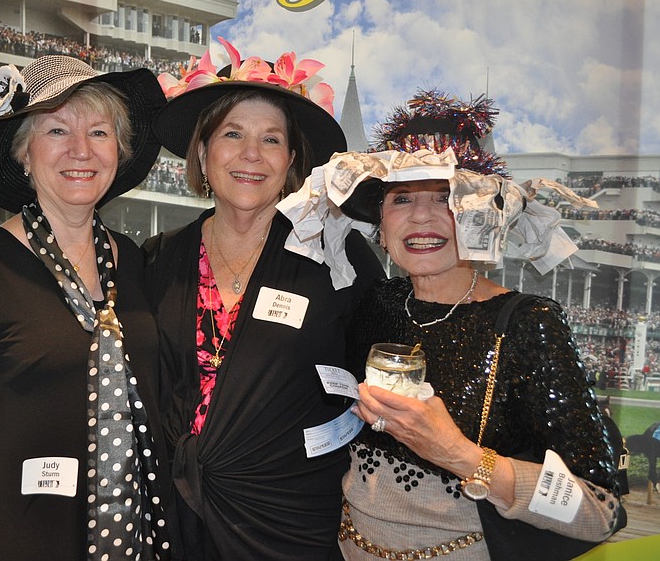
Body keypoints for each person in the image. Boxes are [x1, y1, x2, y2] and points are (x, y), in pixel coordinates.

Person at [291, 89, 625, 560]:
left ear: (486, 217)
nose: (423, 216)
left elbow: (599, 510)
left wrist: (457, 453)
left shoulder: (530, 324)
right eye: (402, 197)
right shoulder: (377, 304)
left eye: (448, 198)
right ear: (380, 225)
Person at [0, 55, 170, 560]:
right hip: (27, 531)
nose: (82, 150)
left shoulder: (137, 263)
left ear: (118, 153)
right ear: (24, 155)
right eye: (58, 129)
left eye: (100, 132)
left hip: (139, 530)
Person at [143, 38, 383, 560]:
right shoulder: (158, 259)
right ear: (203, 153)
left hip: (291, 519)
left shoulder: (334, 255)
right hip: (174, 515)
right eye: (232, 134)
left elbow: (376, 375)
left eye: (271, 140)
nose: (251, 155)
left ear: (292, 160)